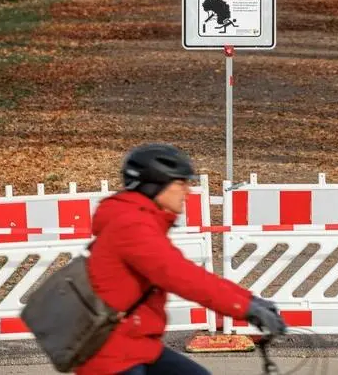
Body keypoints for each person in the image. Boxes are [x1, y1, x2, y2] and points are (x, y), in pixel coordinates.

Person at [76, 144, 287, 375]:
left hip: (136, 345)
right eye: (181, 183)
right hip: (109, 354)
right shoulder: (131, 226)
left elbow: (190, 274)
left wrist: (251, 301)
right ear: (154, 185)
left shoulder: (139, 219)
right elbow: (180, 276)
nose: (189, 191)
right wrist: (246, 308)